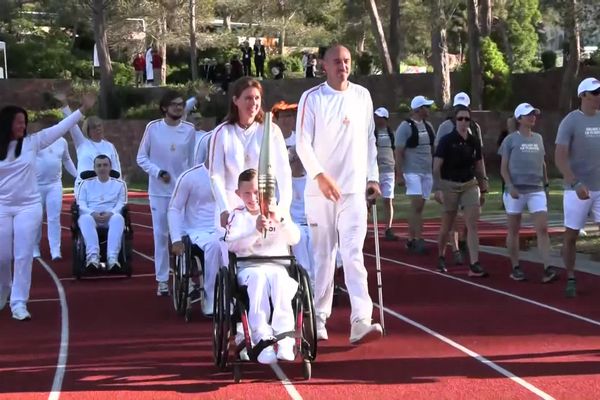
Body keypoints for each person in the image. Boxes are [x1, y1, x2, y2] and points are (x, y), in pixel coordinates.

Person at [296, 44, 383, 344]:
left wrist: (373, 177)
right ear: (324, 65)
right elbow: (302, 144)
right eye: (336, 62)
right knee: (323, 256)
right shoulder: (312, 98)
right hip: (320, 193)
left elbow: (370, 140)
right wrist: (319, 176)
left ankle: (361, 318)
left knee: (353, 254)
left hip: (353, 191)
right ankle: (319, 317)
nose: (342, 66)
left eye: (346, 61)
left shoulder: (362, 96)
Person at [0, 94, 95, 321]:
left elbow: (61, 128)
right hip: (2, 206)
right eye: (18, 122)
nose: (23, 126)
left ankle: (19, 303)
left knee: (22, 255)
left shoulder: (33, 142)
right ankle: (5, 287)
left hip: (28, 206)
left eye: (25, 122)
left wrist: (81, 110)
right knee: (3, 256)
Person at [226, 168, 300, 364]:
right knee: (259, 279)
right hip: (249, 268)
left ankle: (285, 337)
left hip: (277, 265)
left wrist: (281, 221)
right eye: (247, 193)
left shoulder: (279, 212)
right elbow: (232, 245)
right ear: (238, 194)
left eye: (257, 192)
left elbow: (295, 238)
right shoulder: (238, 216)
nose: (253, 198)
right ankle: (262, 337)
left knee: (279, 279)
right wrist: (255, 231)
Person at [208, 77, 292, 229]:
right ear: (235, 100)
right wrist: (224, 208)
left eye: (257, 98)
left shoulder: (271, 130)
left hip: (264, 209)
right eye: (248, 98)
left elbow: (284, 172)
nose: (253, 103)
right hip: (233, 210)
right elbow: (216, 175)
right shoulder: (222, 132)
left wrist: (283, 208)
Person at [137, 91, 196, 296]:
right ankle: (162, 280)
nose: (178, 108)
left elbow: (192, 161)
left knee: (181, 236)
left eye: (181, 104)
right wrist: (158, 172)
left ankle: (185, 277)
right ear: (164, 107)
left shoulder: (189, 130)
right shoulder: (153, 128)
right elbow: (141, 158)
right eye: (174, 105)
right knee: (161, 236)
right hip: (159, 193)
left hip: (181, 193)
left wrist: (189, 183)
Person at [499, 103, 557, 283]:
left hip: (536, 189)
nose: (532, 117)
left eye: (534, 114)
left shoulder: (538, 138)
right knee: (514, 229)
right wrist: (510, 186)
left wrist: (546, 186)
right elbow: (503, 168)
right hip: (516, 190)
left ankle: (547, 267)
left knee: (542, 228)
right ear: (519, 119)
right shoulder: (510, 140)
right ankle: (516, 266)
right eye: (528, 115)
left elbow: (543, 164)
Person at [168, 134, 224, 316]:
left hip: (227, 228)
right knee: (216, 245)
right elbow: (174, 209)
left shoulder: (234, 176)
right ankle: (211, 298)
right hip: (199, 231)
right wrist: (176, 238)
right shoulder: (190, 177)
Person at [555, 77, 600, 298]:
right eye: (595, 92)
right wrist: (574, 182)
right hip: (577, 189)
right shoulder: (570, 121)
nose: (599, 95)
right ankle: (571, 276)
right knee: (571, 235)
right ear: (583, 95)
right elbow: (560, 157)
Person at [433, 106, 489, 277]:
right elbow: (436, 167)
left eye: (466, 119)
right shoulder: (446, 140)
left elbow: (479, 165)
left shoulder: (473, 141)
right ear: (455, 121)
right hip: (450, 184)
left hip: (469, 184)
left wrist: (483, 185)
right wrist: (439, 188)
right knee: (448, 223)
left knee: (472, 224)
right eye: (460, 119)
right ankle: (441, 255)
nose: (463, 122)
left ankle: (474, 263)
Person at [272, 101, 315, 286]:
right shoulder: (272, 141)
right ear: (276, 119)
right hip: (281, 191)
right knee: (299, 237)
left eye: (291, 116)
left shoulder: (301, 140)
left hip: (302, 185)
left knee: (315, 235)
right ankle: (305, 277)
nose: (288, 120)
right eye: (284, 117)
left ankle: (316, 277)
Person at [394, 96, 436, 253]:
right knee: (416, 204)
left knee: (420, 207)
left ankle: (411, 239)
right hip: (412, 171)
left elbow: (432, 149)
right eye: (426, 106)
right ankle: (418, 238)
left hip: (427, 172)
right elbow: (398, 152)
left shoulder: (429, 126)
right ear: (418, 109)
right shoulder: (405, 127)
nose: (428, 109)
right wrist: (399, 174)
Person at [57, 94, 121, 190]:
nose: (98, 129)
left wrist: (118, 185)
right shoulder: (82, 143)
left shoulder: (109, 146)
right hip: (84, 189)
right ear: (88, 130)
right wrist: (64, 105)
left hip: (105, 188)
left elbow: (116, 167)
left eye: (99, 126)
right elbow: (72, 124)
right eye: (94, 127)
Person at [78, 155, 127, 270]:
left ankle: (112, 259)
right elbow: (81, 203)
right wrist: (92, 213)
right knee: (85, 218)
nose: (102, 168)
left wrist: (111, 212)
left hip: (111, 216)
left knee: (118, 218)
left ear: (110, 167)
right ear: (94, 168)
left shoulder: (119, 185)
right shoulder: (85, 184)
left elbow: (121, 203)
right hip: (91, 216)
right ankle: (92, 258)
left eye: (105, 165)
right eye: (99, 165)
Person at [33, 132, 77, 260]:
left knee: (54, 218)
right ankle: (35, 247)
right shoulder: (37, 140)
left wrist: (78, 175)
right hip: (37, 185)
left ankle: (55, 250)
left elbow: (67, 160)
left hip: (54, 185)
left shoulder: (62, 142)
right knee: (37, 218)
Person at [373, 107, 398, 241]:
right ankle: (367, 227)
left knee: (388, 199)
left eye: (379, 117)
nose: (377, 119)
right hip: (375, 171)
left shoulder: (391, 133)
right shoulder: (371, 133)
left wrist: (397, 169)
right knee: (370, 200)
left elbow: (395, 150)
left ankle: (388, 228)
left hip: (389, 169)